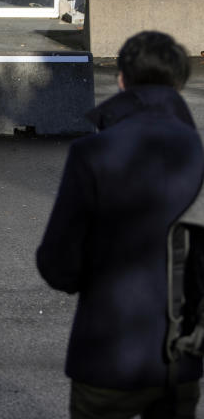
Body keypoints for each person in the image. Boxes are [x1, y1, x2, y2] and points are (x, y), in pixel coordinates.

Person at [37, 31, 204, 419]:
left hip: (106, 352)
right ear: (178, 83)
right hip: (181, 355)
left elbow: (57, 263)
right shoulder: (196, 152)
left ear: (122, 80)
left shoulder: (92, 152)